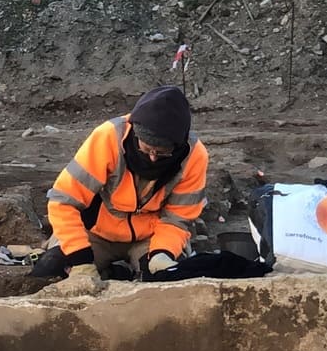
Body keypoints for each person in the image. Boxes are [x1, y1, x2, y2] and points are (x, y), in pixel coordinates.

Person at [33, 85, 209, 283]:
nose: (152, 158)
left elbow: (177, 219)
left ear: (178, 145)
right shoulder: (108, 137)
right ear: (135, 134)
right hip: (95, 234)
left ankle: (121, 272)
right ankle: (112, 272)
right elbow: (63, 200)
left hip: (149, 238)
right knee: (49, 271)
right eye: (147, 149)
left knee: (167, 280)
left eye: (161, 153)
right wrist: (80, 260)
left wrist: (163, 253)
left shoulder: (194, 156)